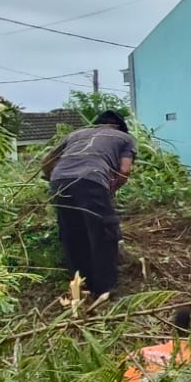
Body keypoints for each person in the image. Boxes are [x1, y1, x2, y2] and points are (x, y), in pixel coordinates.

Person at [41, 110, 136, 300]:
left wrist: (54, 180)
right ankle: (103, 291)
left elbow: (46, 162)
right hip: (91, 178)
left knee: (73, 234)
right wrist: (110, 190)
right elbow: (125, 170)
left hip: (59, 181)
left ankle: (80, 285)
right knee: (104, 233)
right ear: (120, 127)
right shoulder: (124, 138)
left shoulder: (75, 135)